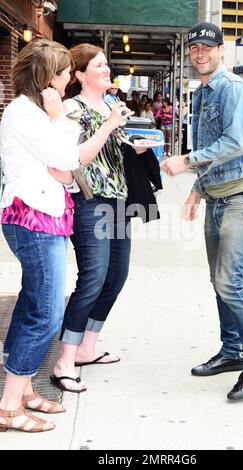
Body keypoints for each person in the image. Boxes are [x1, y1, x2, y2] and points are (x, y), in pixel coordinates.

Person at [0, 39, 130, 432]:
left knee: (32, 307)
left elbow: (63, 166)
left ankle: (21, 392)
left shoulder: (37, 112)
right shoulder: (28, 113)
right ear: (45, 76)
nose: (63, 82)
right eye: (60, 74)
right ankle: (9, 407)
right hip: (32, 216)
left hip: (47, 214)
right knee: (45, 313)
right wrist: (63, 120)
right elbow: (67, 159)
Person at [160, 22, 243, 401]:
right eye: (194, 49)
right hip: (217, 196)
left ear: (221, 50)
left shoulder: (233, 88)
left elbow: (236, 143)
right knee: (219, 281)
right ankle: (232, 351)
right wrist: (197, 189)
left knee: (230, 280)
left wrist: (187, 162)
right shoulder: (201, 95)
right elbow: (213, 146)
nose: (200, 54)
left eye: (207, 48)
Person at [50, 44, 139, 394]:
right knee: (93, 277)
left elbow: (114, 155)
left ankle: (88, 346)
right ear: (80, 74)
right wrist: (109, 125)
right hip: (89, 201)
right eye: (99, 65)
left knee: (117, 275)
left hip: (119, 200)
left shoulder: (110, 107)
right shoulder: (73, 108)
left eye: (107, 64)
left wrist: (136, 146)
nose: (106, 69)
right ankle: (64, 360)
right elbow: (71, 158)